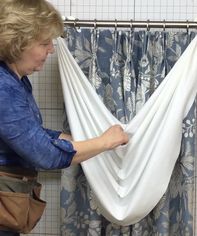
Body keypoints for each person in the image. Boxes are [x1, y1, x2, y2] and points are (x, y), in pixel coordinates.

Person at [0, 0, 129, 235]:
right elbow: (45, 156)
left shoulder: (16, 80)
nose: (51, 49)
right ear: (18, 43)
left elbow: (28, 132)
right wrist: (104, 142)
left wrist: (71, 137)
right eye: (44, 43)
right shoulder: (2, 88)